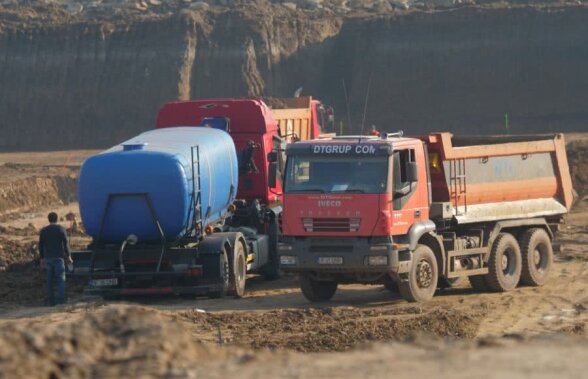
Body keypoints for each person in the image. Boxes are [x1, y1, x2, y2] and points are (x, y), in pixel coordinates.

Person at [39, 212, 72, 306]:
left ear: (48, 219)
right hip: (59, 258)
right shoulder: (61, 229)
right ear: (57, 219)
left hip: (48, 258)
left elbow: (40, 245)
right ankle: (61, 300)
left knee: (49, 280)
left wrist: (42, 259)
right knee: (60, 279)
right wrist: (69, 256)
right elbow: (66, 243)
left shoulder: (44, 231)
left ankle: (51, 301)